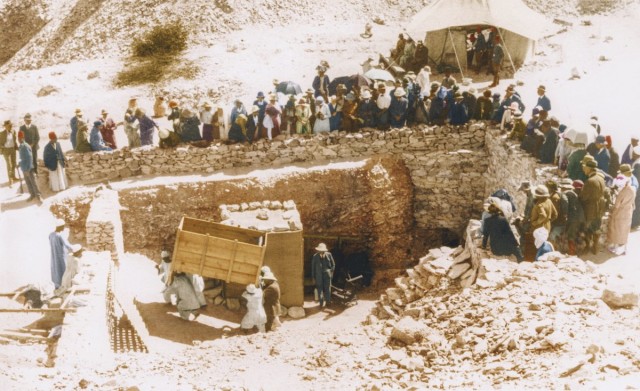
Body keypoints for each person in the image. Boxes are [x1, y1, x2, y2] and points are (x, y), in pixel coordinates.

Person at [482, 198, 524, 263]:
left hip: (495, 249)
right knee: (517, 250)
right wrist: (516, 244)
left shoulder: (487, 221)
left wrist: (483, 246)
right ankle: (521, 262)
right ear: (498, 211)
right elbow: (510, 234)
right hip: (505, 248)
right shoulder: (503, 220)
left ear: (489, 212)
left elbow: (485, 235)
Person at [579, 156, 607, 254]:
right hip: (600, 207)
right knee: (596, 227)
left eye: (584, 167)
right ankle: (595, 246)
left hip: (590, 209)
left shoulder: (590, 181)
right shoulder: (600, 178)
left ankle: (588, 246)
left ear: (589, 168)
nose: (583, 169)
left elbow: (583, 197)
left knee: (588, 228)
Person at [607, 174, 635, 255]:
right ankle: (624, 249)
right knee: (625, 232)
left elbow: (617, 205)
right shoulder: (632, 189)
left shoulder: (622, 192)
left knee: (617, 232)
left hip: (620, 214)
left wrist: (612, 209)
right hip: (628, 213)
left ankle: (616, 249)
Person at [49, 219, 74, 290]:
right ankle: (64, 286)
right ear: (61, 226)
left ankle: (57, 285)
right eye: (63, 226)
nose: (64, 228)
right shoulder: (60, 235)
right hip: (61, 256)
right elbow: (67, 245)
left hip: (54, 256)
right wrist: (76, 249)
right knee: (64, 270)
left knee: (56, 270)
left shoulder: (51, 235)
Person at [18, 131, 42, 202]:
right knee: (28, 182)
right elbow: (23, 158)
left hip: (28, 168)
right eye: (18, 138)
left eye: (20, 138)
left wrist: (28, 168)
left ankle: (38, 196)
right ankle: (32, 195)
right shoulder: (21, 146)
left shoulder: (25, 146)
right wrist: (19, 164)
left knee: (33, 182)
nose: (19, 140)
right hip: (24, 167)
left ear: (23, 138)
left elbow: (29, 157)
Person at [563, 179, 585, 255]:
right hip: (581, 217)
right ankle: (580, 249)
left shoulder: (567, 193)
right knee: (578, 233)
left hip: (574, 218)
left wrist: (565, 214)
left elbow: (565, 205)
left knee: (571, 235)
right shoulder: (576, 194)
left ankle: (571, 252)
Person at [311, 243, 335, 307]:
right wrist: (313, 277)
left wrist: (330, 272)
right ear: (318, 250)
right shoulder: (315, 256)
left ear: (325, 250)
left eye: (322, 250)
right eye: (320, 250)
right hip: (318, 276)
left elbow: (333, 265)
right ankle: (321, 303)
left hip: (327, 276)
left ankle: (328, 302)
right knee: (319, 289)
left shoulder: (329, 255)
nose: (321, 252)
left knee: (328, 289)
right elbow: (313, 268)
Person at [0, 120, 18, 184]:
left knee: (13, 163)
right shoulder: (2, 134)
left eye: (11, 125)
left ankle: (13, 177)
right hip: (6, 151)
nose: (10, 127)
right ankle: (10, 179)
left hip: (13, 149)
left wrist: (17, 147)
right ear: (5, 126)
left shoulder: (13, 132)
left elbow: (14, 140)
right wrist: (2, 147)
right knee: (9, 165)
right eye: (8, 126)